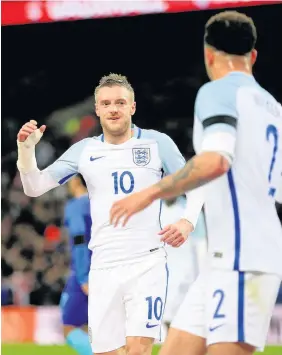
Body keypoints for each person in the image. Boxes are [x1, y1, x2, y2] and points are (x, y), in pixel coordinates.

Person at [110, 11, 282, 355]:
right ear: (253, 56)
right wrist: (190, 217)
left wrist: (149, 193)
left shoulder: (217, 92)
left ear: (208, 53)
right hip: (228, 260)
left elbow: (215, 161)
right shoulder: (273, 108)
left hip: (242, 260)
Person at [16, 73, 204, 355]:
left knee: (137, 350)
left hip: (147, 263)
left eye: (120, 102)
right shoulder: (84, 150)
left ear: (132, 107)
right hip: (103, 266)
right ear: (97, 109)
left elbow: (195, 183)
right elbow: (33, 187)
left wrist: (188, 221)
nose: (113, 108)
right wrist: (25, 151)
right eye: (106, 103)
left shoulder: (157, 143)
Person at [60, 174, 92, 355]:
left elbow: (79, 240)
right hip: (106, 267)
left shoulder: (75, 206)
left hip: (84, 272)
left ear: (78, 181)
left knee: (69, 326)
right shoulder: (101, 204)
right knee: (92, 326)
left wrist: (82, 275)